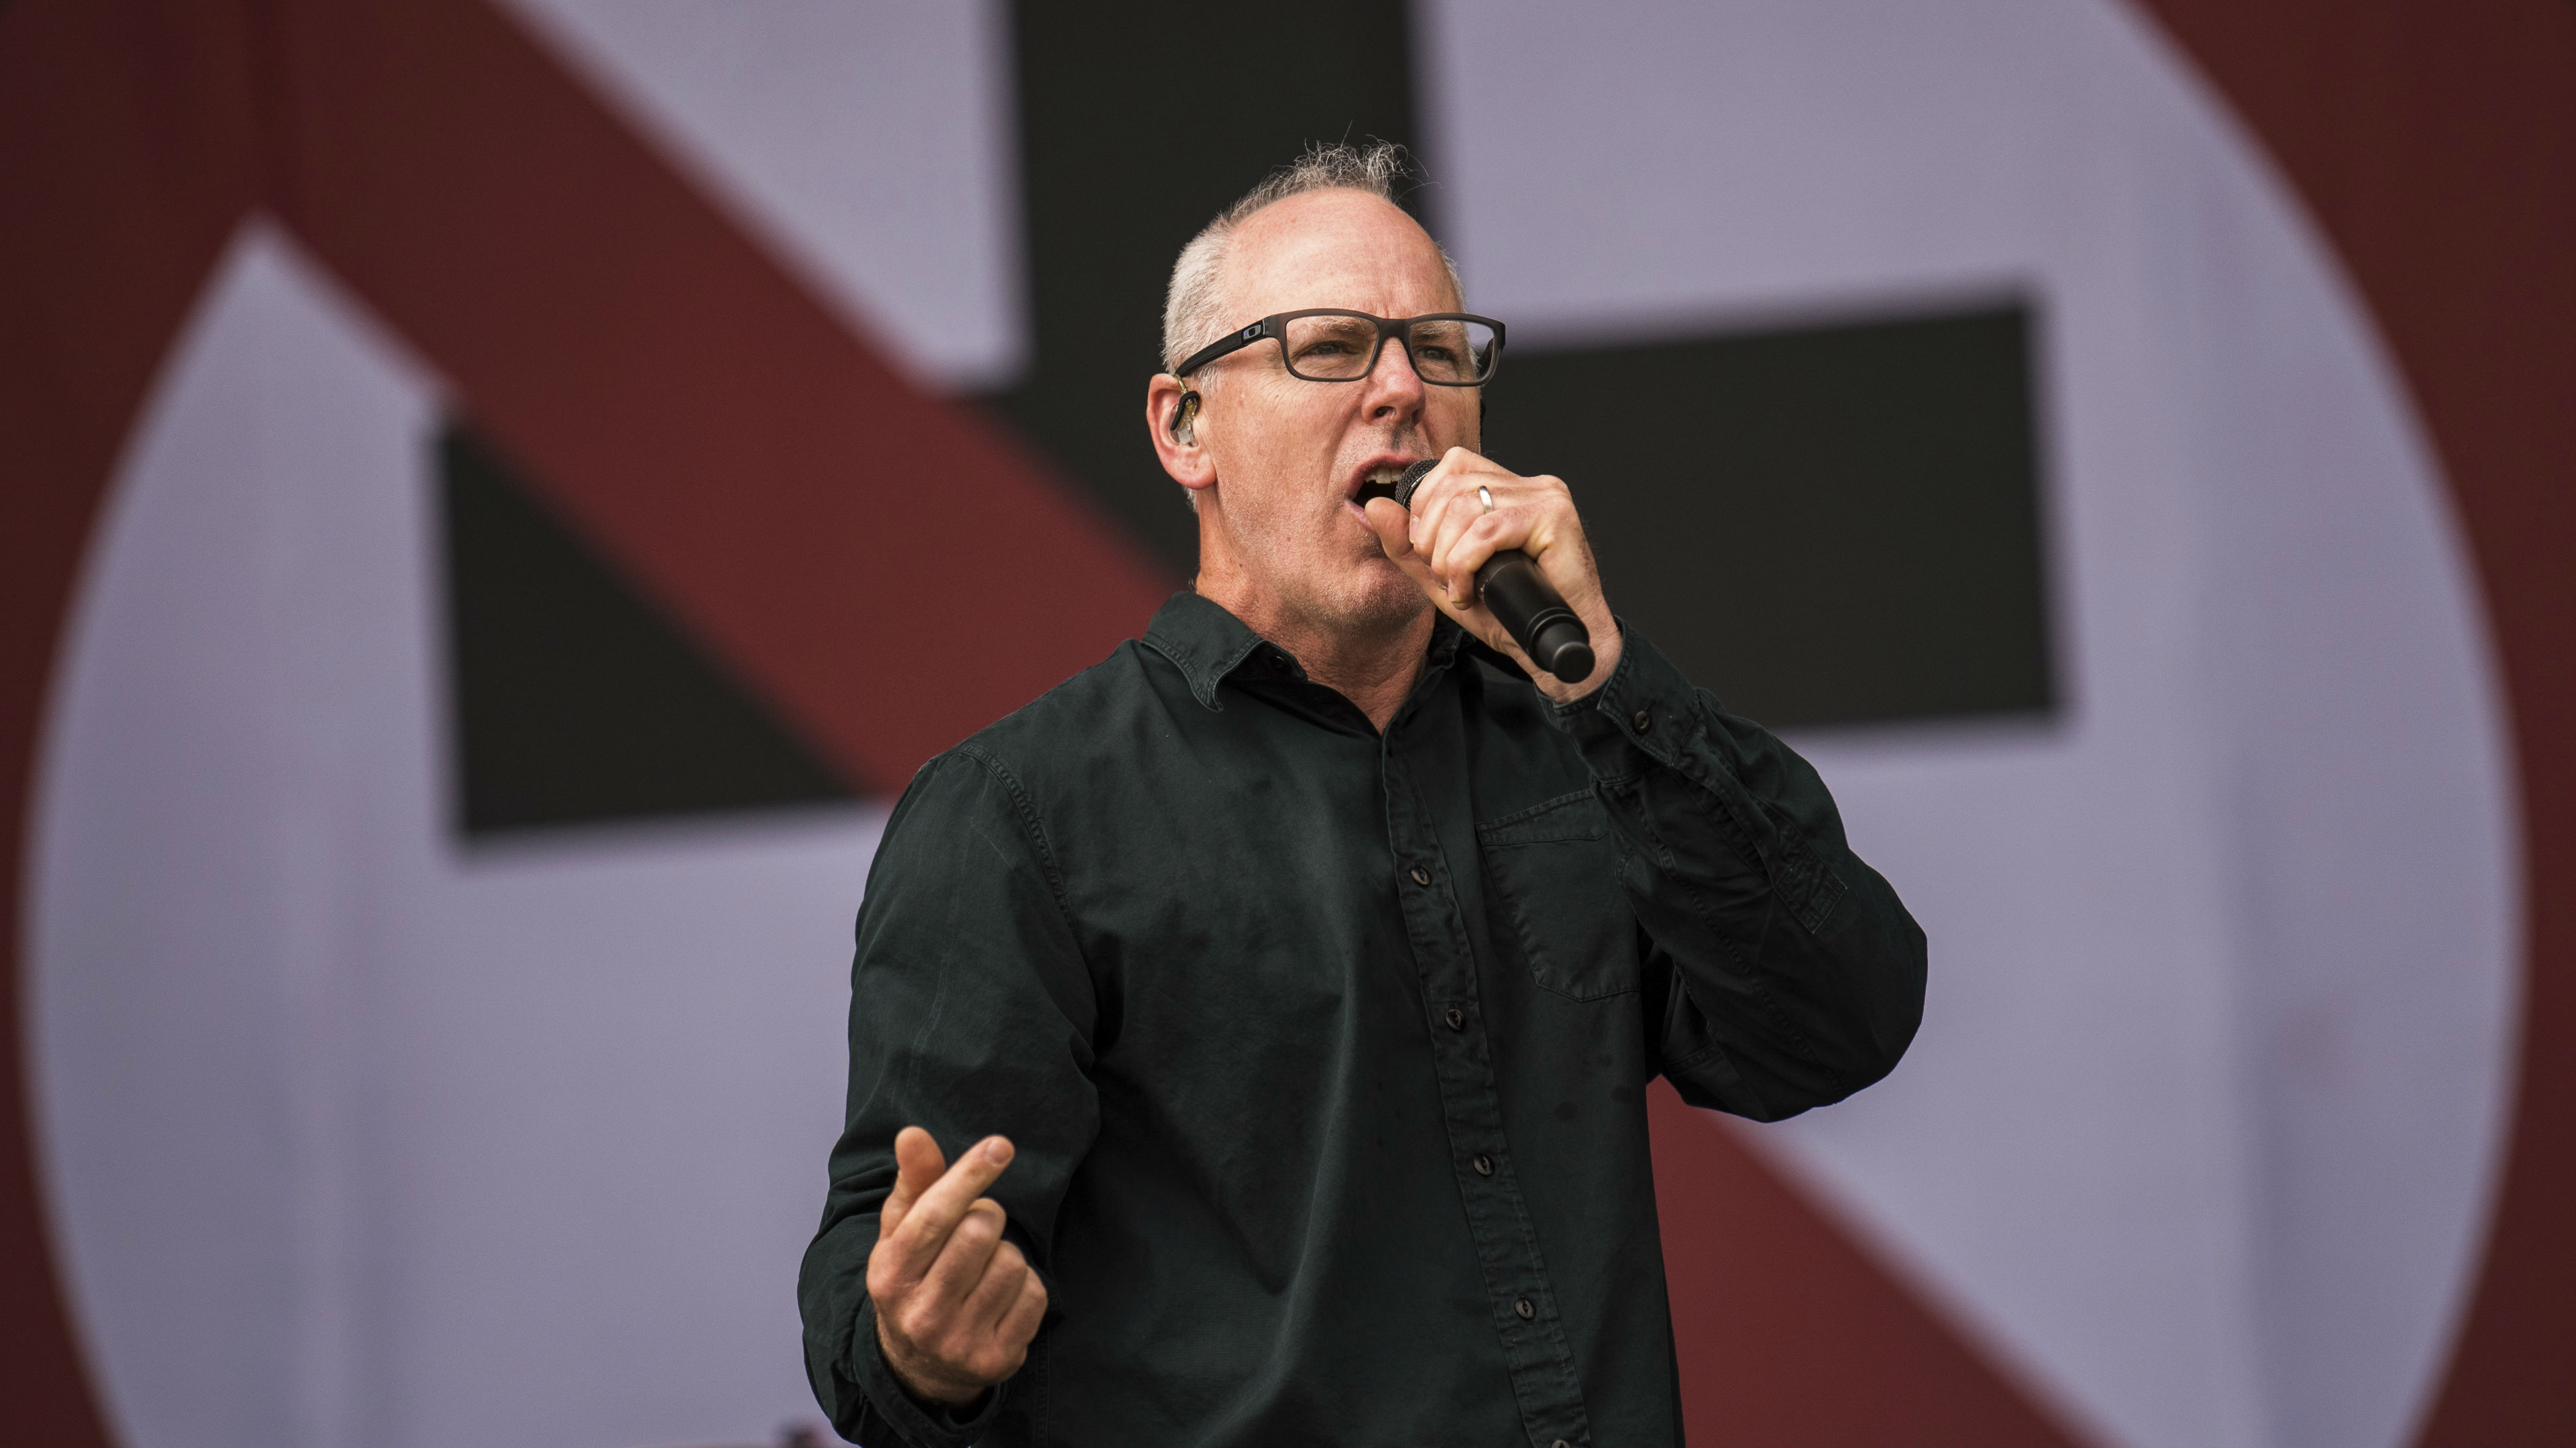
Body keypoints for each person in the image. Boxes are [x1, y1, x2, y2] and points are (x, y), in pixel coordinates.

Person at [797, 143, 1925, 1448]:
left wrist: (1610, 680)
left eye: (1439, 349)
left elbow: (1842, 1018)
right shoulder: (1019, 813)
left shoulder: (1583, 741)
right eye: (1330, 346)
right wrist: (922, 1351)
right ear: (1185, 427)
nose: (1402, 389)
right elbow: (878, 1279)